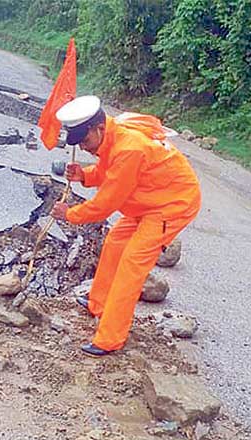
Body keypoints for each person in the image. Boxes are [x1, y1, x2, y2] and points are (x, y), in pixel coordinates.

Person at [51, 96, 201, 358]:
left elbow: (104, 204)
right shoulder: (113, 133)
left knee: (132, 264)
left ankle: (110, 338)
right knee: (115, 243)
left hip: (171, 204)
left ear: (98, 128)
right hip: (146, 199)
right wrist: (84, 175)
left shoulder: (130, 148)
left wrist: (70, 214)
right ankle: (98, 303)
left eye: (85, 141)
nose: (84, 148)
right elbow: (110, 169)